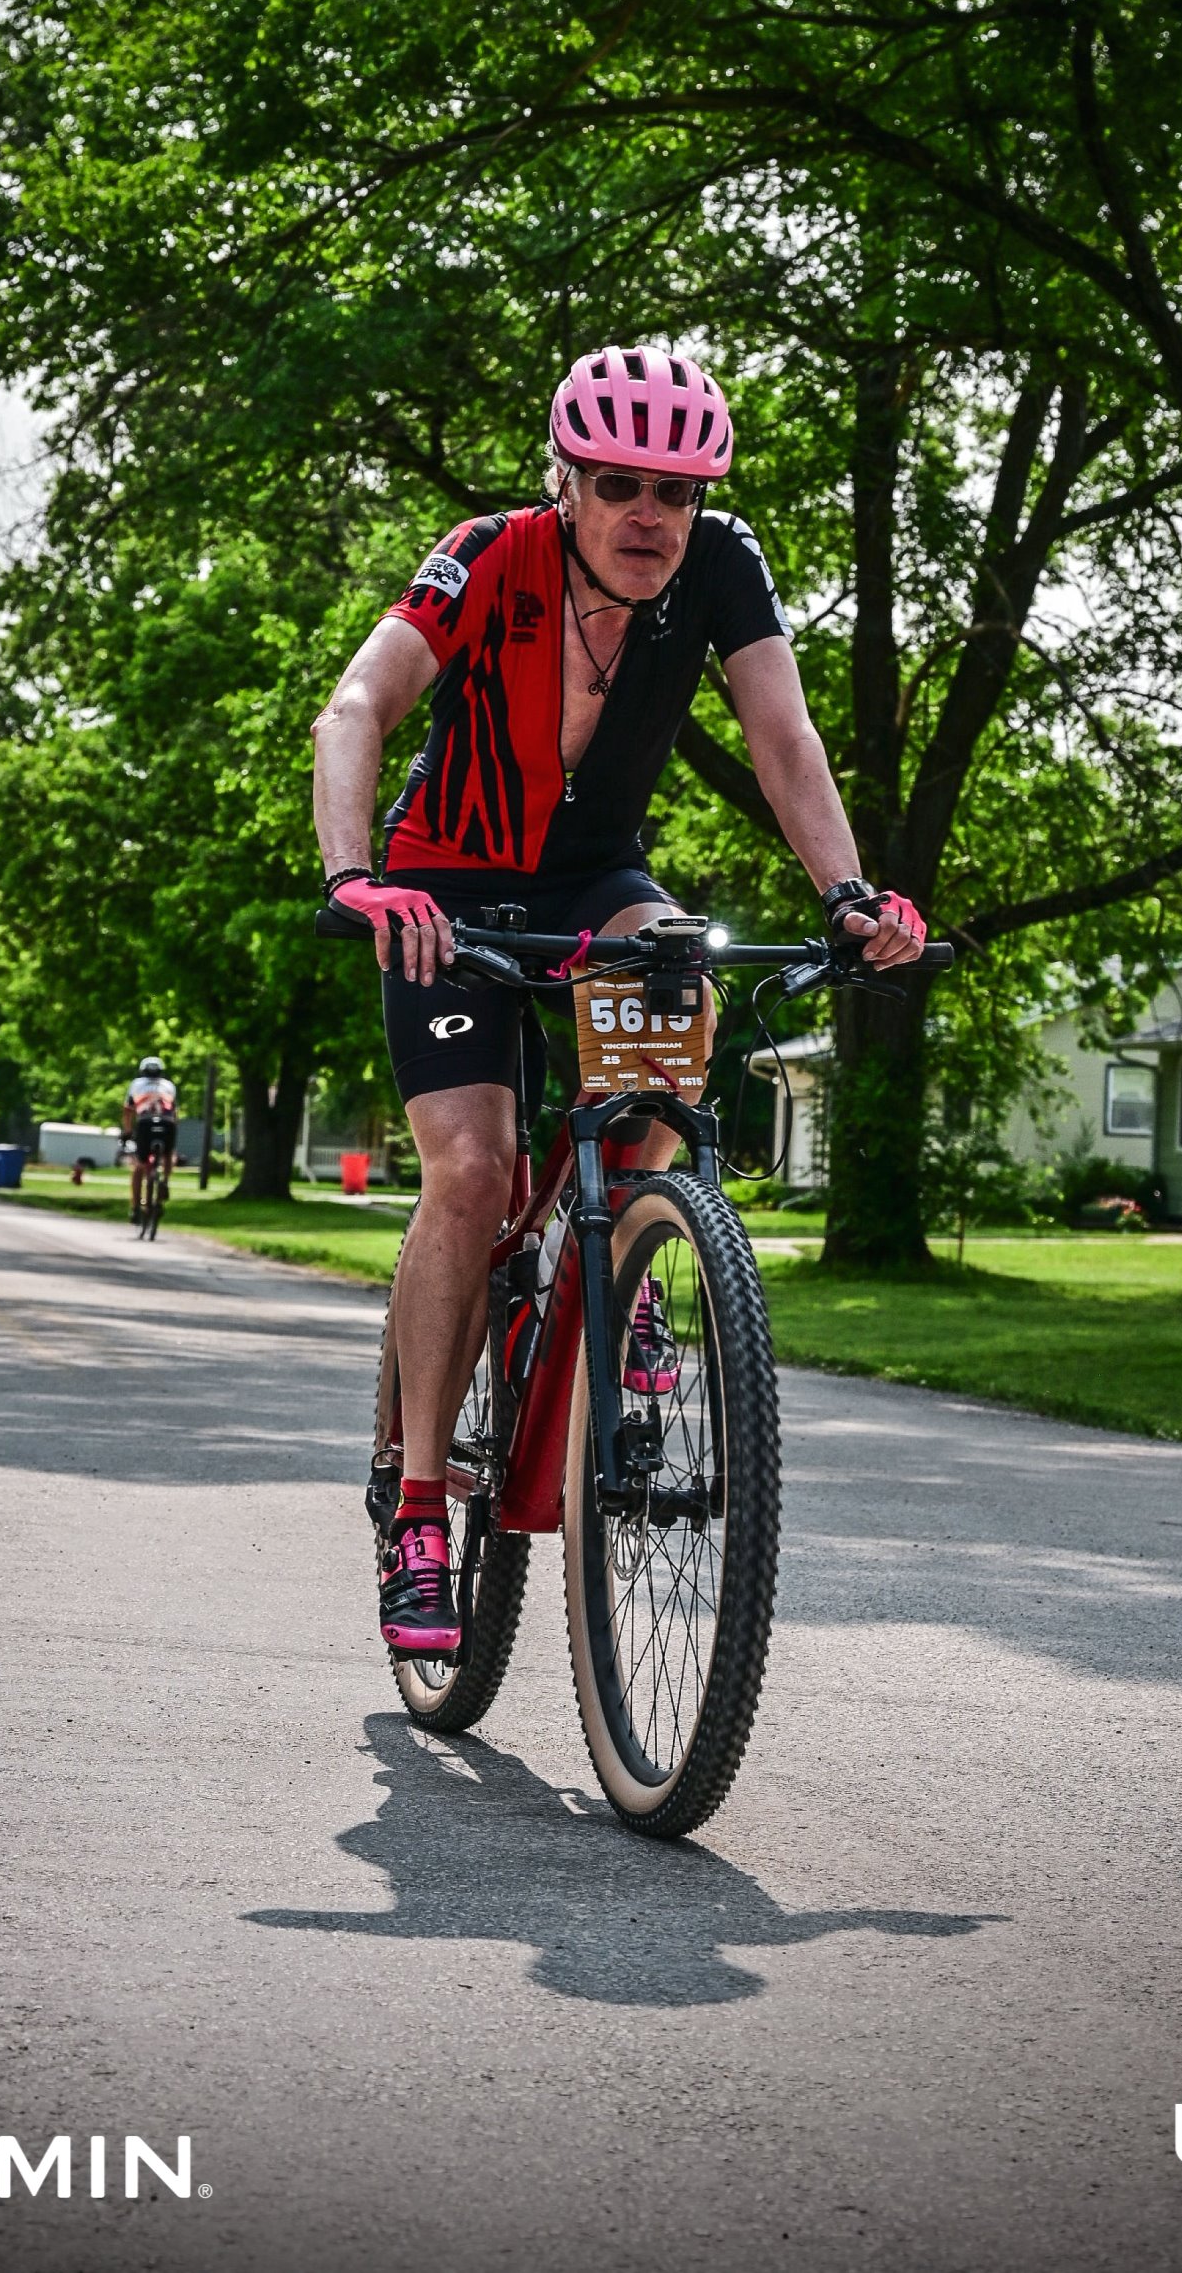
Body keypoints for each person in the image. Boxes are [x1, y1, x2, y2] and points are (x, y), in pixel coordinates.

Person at [312, 343, 926, 1653]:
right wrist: (359, 876)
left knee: (675, 967)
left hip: (593, 875)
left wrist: (847, 893)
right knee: (471, 1170)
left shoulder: (722, 567)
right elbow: (355, 707)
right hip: (448, 881)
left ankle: (631, 1253)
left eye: (678, 490)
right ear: (565, 481)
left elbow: (783, 736)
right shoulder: (484, 555)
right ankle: (417, 1508)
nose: (651, 513)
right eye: (618, 484)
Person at [122, 1057, 178, 1219]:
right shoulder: (169, 1085)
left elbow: (128, 1109)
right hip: (167, 1123)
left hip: (145, 1123)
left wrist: (127, 1131)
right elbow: (175, 1112)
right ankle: (165, 1181)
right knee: (169, 1153)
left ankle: (135, 1208)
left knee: (139, 1165)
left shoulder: (136, 1084)